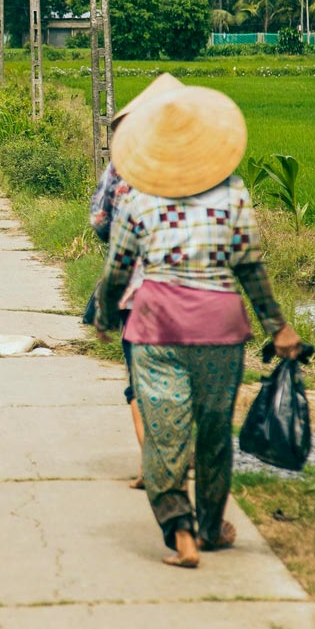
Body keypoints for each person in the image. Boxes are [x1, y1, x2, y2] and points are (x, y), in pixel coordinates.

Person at [93, 85, 302, 569]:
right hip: (219, 328)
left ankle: (180, 532)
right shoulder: (231, 193)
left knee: (165, 433)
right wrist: (279, 327)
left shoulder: (135, 195)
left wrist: (105, 314)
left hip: (154, 328)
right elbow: (250, 266)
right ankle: (210, 527)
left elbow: (118, 268)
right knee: (212, 434)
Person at [89, 73, 184, 491]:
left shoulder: (124, 166)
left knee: (141, 383)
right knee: (187, 380)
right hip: (201, 293)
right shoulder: (210, 169)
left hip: (140, 291)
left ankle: (152, 467)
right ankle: (185, 456)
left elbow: (99, 222)